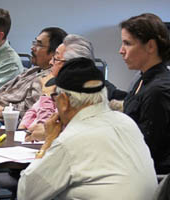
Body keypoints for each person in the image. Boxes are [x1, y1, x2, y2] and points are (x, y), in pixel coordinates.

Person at [17, 57, 158, 200]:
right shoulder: (126, 122)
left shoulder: (70, 141)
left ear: (64, 101)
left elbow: (26, 193)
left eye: (55, 96)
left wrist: (48, 142)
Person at [0, 27, 67, 128]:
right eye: (34, 43)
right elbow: (1, 92)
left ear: (53, 54)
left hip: (2, 122)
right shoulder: (32, 70)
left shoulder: (48, 80)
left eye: (39, 45)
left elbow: (33, 113)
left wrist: (3, 111)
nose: (32, 48)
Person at [119, 13, 170, 174]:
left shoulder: (158, 90)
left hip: (150, 177)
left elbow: (149, 147)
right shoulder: (142, 80)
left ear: (150, 46)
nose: (121, 51)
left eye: (127, 43)